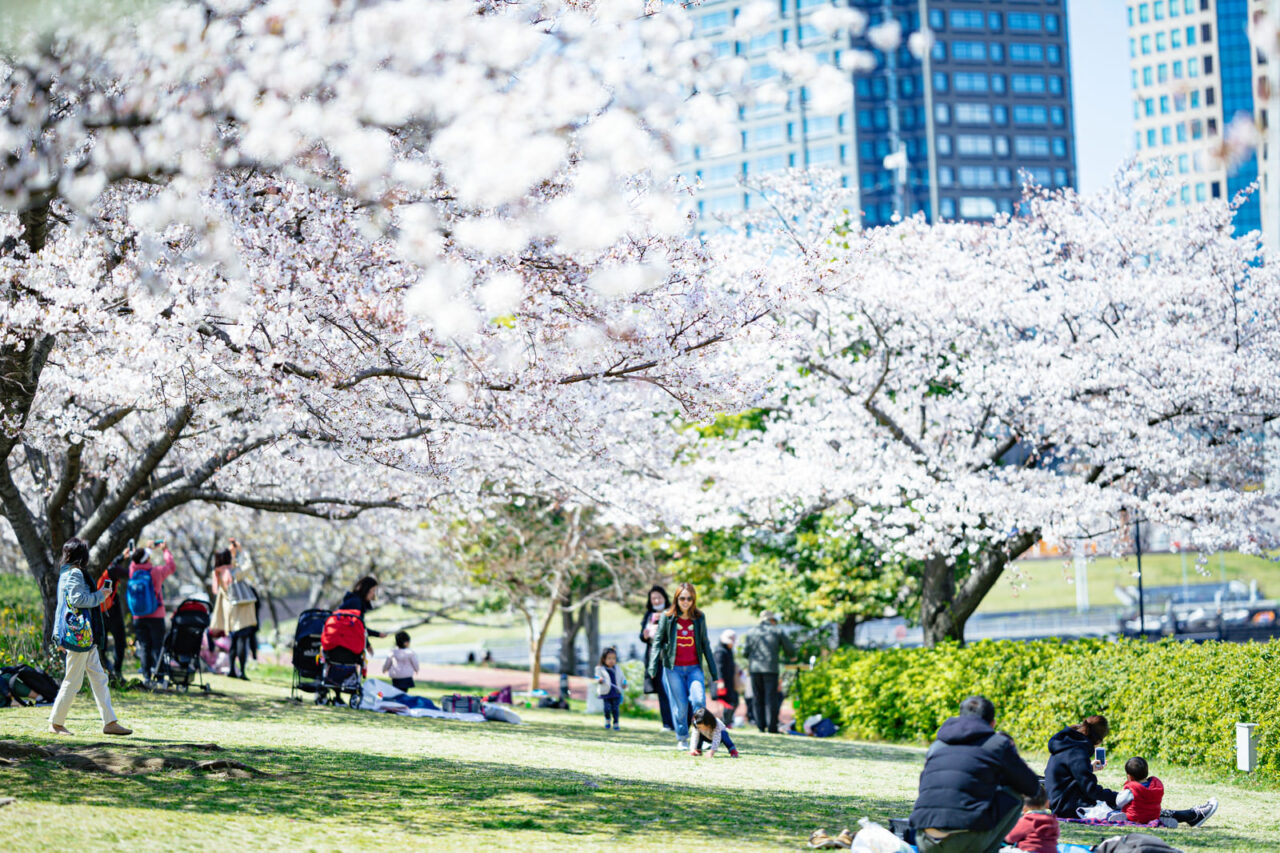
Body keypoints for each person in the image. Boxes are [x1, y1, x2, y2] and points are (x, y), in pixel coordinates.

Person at [908, 695, 1040, 853]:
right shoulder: (997, 744)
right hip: (965, 842)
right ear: (992, 723)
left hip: (924, 839)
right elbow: (1032, 787)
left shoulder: (937, 745)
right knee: (1016, 793)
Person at [48, 538, 132, 736]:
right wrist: (101, 595)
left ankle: (110, 722)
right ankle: (55, 723)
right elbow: (77, 600)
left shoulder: (67, 573)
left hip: (85, 635)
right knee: (73, 681)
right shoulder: (75, 573)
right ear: (81, 555)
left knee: (99, 677)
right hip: (79, 636)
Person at [646, 582, 718, 750]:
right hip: (673, 669)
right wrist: (652, 667)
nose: (686, 602)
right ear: (676, 599)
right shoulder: (667, 616)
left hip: (694, 668)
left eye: (689, 598)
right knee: (680, 706)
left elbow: (706, 644)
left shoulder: (699, 618)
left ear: (694, 600)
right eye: (682, 598)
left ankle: (704, 738)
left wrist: (714, 671)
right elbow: (657, 642)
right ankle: (682, 739)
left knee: (699, 700)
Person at [1044, 715, 1119, 819]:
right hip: (1068, 807)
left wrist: (1089, 768)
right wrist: (1117, 796)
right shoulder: (1078, 752)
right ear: (1098, 741)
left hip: (1057, 802)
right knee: (1113, 804)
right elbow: (1091, 790)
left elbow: (1068, 773)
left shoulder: (1066, 743)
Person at [1110, 756, 1218, 827]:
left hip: (1134, 815)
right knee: (1151, 813)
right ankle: (1189, 816)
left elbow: (1119, 802)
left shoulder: (1132, 789)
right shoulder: (1156, 785)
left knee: (1125, 812)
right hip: (1153, 814)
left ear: (1129, 776)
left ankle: (1192, 816)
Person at [128, 539, 175, 685]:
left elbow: (134, 561)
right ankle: (160, 676)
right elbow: (171, 567)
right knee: (157, 645)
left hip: (138, 615)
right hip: (156, 615)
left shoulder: (133, 571)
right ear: (147, 558)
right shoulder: (156, 572)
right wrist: (165, 550)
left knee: (144, 645)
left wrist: (146, 550)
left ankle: (147, 676)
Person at [740, 610, 795, 734]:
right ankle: (772, 727)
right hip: (771, 669)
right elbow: (790, 649)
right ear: (772, 620)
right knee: (771, 698)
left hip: (755, 669)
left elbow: (745, 652)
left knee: (757, 697)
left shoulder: (751, 632)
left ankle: (760, 726)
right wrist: (792, 656)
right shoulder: (777, 631)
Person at [210, 540, 259, 680]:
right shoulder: (232, 572)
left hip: (229, 611)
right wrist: (241, 551)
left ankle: (232, 669)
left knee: (233, 641)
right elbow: (248, 566)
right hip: (241, 610)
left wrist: (233, 553)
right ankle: (242, 671)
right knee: (242, 640)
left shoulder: (218, 573)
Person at [638, 584, 675, 732]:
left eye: (658, 597)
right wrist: (644, 635)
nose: (656, 600)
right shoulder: (648, 615)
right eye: (653, 598)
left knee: (674, 690)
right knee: (662, 692)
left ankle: (681, 721)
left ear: (664, 598)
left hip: (670, 658)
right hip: (655, 659)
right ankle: (667, 724)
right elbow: (642, 635)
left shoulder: (672, 612)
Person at [95, 547, 131, 679]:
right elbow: (129, 573)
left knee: (101, 645)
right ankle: (117, 670)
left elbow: (113, 563)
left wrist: (122, 557)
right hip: (113, 613)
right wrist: (138, 562)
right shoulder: (114, 570)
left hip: (100, 613)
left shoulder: (97, 569)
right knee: (120, 642)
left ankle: (107, 668)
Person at [339, 575, 387, 652]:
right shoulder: (356, 603)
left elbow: (359, 627)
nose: (373, 594)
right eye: (373, 590)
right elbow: (357, 628)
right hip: (346, 645)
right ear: (366, 590)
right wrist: (375, 636)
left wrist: (368, 643)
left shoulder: (354, 600)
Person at [1005, 786, 1058, 853]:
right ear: (1047, 804)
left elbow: (1011, 838)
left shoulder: (1027, 821)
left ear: (1024, 808)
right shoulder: (1053, 821)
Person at [713, 628, 740, 728]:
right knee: (729, 702)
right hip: (722, 682)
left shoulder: (728, 651)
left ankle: (727, 722)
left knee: (734, 701)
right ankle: (725, 723)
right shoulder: (720, 652)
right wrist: (720, 681)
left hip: (729, 681)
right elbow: (718, 667)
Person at [595, 647, 625, 730]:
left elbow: (622, 678)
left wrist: (624, 683)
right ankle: (607, 719)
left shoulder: (617, 668)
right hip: (606, 692)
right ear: (604, 659)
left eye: (614, 658)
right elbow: (597, 677)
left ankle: (616, 722)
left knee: (615, 709)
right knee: (607, 708)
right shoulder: (600, 668)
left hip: (616, 692)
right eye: (609, 658)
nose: (612, 660)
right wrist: (599, 679)